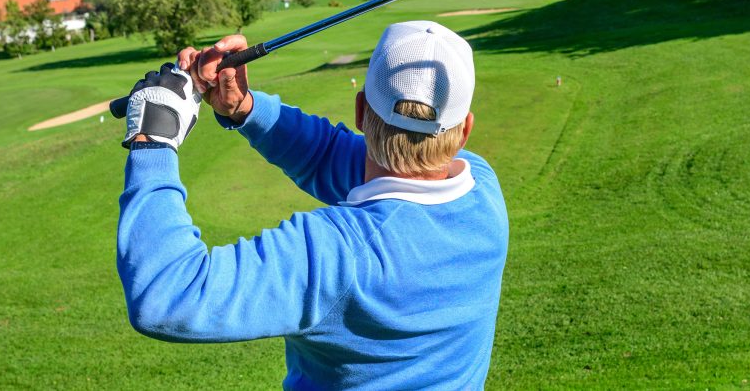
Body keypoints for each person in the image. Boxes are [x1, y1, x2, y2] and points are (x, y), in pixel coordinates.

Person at [117, 21, 509, 389]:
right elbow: (331, 156)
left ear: (360, 111)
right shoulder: (483, 188)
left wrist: (154, 137)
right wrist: (245, 108)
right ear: (465, 130)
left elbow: (167, 294)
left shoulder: (336, 255)